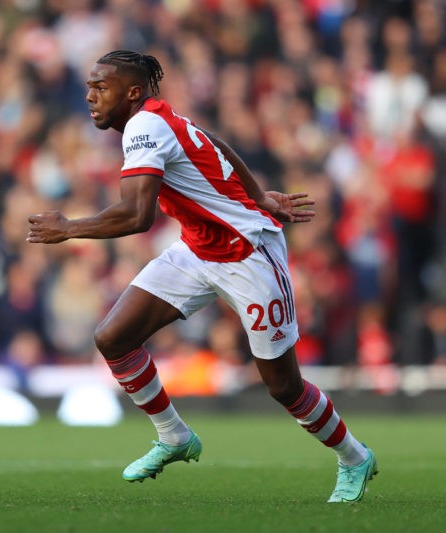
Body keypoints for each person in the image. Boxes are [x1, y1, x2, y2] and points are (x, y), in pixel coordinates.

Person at [27, 50, 377, 503]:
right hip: (198, 249)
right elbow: (214, 142)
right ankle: (173, 436)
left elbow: (137, 216)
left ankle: (354, 456)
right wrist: (257, 193)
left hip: (248, 253)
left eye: (100, 87)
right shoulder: (158, 119)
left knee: (283, 386)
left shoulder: (144, 126)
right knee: (114, 336)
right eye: (90, 86)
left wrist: (68, 228)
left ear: (132, 92)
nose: (90, 95)